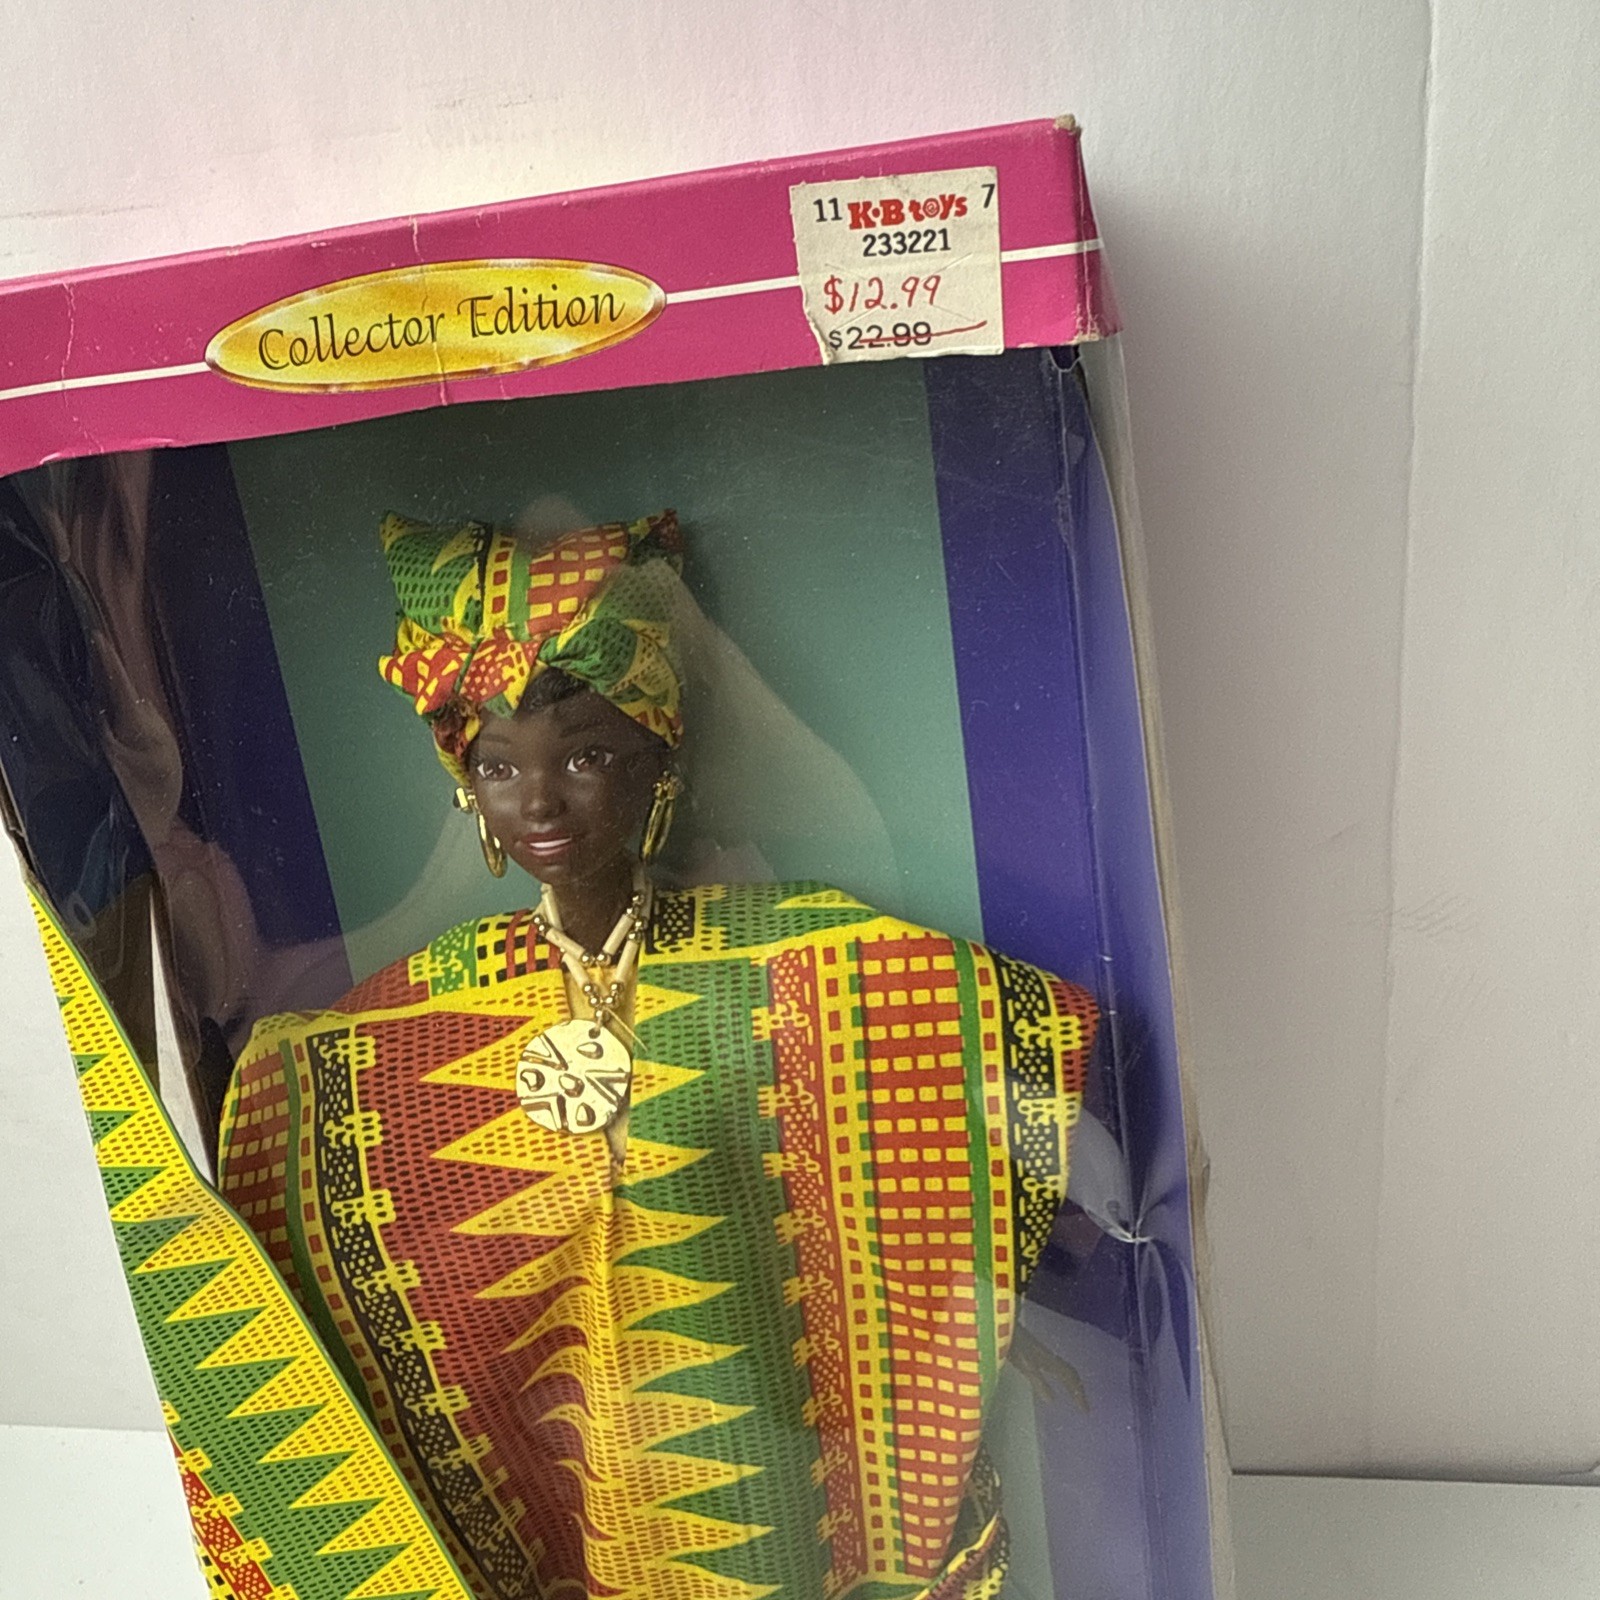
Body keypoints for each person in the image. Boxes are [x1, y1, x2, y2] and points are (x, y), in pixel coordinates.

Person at [218, 508, 1096, 1600]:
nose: (539, 799)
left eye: (586, 754)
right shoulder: (419, 1010)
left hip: (766, 1453)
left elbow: (977, 1037)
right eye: (498, 765)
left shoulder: (785, 954)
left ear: (659, 761)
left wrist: (1000, 1305)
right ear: (467, 786)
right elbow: (311, 1142)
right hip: (566, 1479)